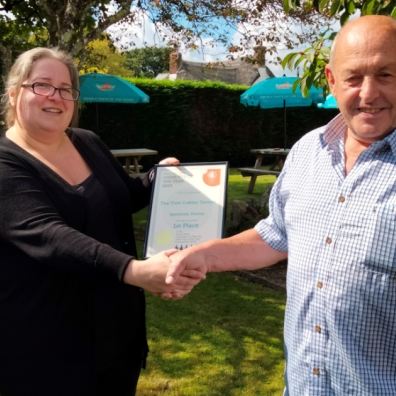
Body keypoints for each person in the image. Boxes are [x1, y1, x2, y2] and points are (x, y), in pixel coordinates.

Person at [166, 15, 396, 395]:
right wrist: (204, 255)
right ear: (332, 80)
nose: (369, 93)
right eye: (354, 77)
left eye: (386, 75)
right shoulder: (308, 151)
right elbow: (275, 236)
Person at [0, 47, 202, 396]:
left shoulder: (88, 142)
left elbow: (122, 197)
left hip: (116, 333)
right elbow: (50, 235)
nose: (56, 97)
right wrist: (134, 270)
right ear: (15, 92)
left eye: (66, 89)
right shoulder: (5, 163)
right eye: (43, 85)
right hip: (44, 345)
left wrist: (158, 180)